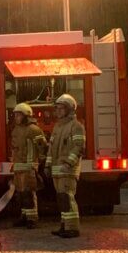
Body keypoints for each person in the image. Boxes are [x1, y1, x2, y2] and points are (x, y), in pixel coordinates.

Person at [44, 94, 86, 238]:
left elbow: (78, 147)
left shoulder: (76, 126)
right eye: (57, 108)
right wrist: (47, 165)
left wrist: (69, 163)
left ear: (70, 109)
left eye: (61, 108)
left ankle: (72, 228)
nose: (58, 111)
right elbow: (51, 149)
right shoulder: (58, 127)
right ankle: (64, 225)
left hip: (68, 170)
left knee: (67, 197)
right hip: (57, 170)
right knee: (62, 199)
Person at [10, 103, 48, 229]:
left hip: (29, 167)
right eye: (15, 115)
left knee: (29, 193)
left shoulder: (34, 129)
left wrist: (40, 161)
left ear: (26, 116)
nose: (16, 117)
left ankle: (32, 218)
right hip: (18, 167)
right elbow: (14, 148)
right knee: (20, 194)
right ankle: (24, 216)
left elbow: (42, 146)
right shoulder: (16, 130)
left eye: (19, 115)